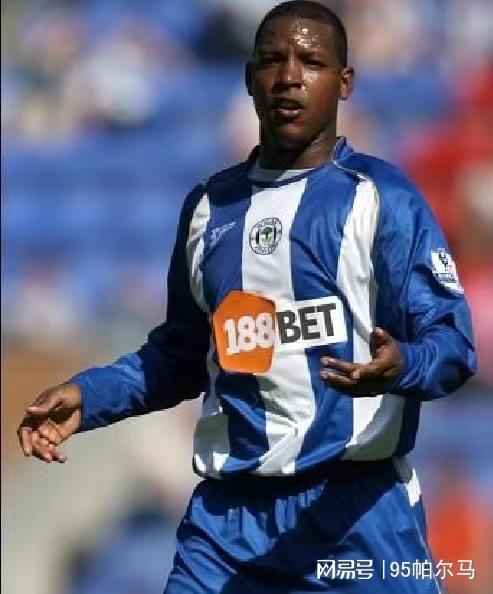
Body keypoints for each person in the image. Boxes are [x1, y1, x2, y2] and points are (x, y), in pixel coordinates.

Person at [18, 2, 476, 593]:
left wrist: (403, 365)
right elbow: (181, 356)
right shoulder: (209, 209)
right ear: (249, 79)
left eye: (311, 61)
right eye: (272, 60)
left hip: (356, 515)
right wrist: (92, 394)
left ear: (344, 83)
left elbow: (453, 343)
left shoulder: (382, 198)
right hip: (229, 526)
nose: (289, 76)